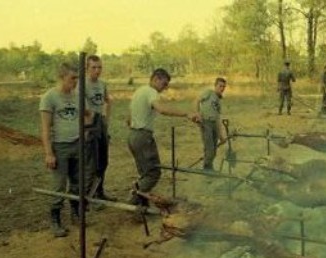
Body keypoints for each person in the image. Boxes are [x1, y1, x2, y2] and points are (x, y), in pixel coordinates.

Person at [127, 68, 199, 206]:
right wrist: (186, 114)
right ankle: (134, 197)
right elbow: (162, 109)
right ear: (155, 79)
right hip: (143, 136)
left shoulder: (139, 91)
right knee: (153, 173)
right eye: (164, 84)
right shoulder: (151, 92)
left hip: (133, 135)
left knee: (144, 172)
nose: (165, 88)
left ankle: (141, 202)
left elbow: (128, 119)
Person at [39, 63, 92, 237]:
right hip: (60, 147)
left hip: (78, 145)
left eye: (77, 78)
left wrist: (84, 133)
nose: (76, 82)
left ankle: (76, 214)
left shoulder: (78, 96)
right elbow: (46, 128)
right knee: (59, 185)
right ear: (62, 77)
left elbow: (87, 115)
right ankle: (55, 221)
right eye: (72, 78)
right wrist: (48, 153)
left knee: (78, 182)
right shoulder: (49, 97)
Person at [83, 55, 115, 202]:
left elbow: (108, 101)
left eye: (99, 67)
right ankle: (88, 197)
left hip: (100, 123)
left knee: (103, 161)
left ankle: (99, 192)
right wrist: (87, 128)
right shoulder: (82, 85)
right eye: (94, 67)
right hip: (88, 126)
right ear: (87, 68)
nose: (97, 70)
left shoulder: (102, 84)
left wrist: (105, 121)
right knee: (91, 164)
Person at [195, 77, 227, 171]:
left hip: (214, 124)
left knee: (214, 149)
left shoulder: (219, 101)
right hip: (206, 122)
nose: (222, 88)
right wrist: (197, 114)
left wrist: (221, 136)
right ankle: (207, 169)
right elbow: (197, 100)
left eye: (224, 87)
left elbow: (218, 118)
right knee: (209, 148)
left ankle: (209, 167)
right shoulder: (209, 93)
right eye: (220, 86)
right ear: (215, 86)